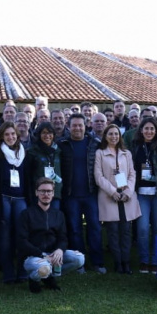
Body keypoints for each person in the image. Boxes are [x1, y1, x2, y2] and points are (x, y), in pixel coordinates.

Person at [17, 177, 86, 293]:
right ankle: (34, 278)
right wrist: (42, 255)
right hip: (33, 256)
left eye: (49, 191)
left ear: (53, 193)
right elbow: (21, 241)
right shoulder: (26, 214)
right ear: (36, 193)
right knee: (45, 268)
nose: (46, 194)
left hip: (52, 254)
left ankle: (48, 276)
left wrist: (60, 250)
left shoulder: (59, 214)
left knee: (79, 259)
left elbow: (63, 237)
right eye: (42, 191)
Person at [60, 113, 106, 273]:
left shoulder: (95, 144)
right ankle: (79, 263)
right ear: (68, 126)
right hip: (71, 195)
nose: (77, 128)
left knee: (95, 228)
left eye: (80, 125)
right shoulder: (62, 144)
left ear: (86, 126)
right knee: (74, 229)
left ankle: (97, 262)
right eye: (74, 125)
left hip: (91, 193)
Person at [0, 121, 30, 284]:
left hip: (20, 199)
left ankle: (22, 271)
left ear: (17, 135)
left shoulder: (24, 152)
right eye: (7, 134)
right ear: (2, 137)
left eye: (13, 134)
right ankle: (8, 273)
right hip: (3, 198)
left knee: (22, 235)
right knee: (4, 236)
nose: (10, 137)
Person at [95, 124, 141, 275]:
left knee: (126, 232)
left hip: (126, 197)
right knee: (113, 232)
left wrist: (128, 191)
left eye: (116, 134)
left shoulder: (126, 153)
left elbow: (132, 174)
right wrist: (112, 192)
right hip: (109, 197)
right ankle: (118, 263)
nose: (114, 136)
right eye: (110, 134)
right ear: (105, 136)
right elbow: (98, 176)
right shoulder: (100, 153)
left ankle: (126, 262)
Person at [131, 118, 157, 274]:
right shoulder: (135, 147)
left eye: (152, 129)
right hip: (141, 194)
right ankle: (144, 259)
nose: (149, 131)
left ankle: (156, 260)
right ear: (141, 130)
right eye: (146, 128)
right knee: (143, 228)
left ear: (156, 131)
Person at [25, 122, 63, 206]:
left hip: (55, 193)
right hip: (39, 193)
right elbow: (28, 175)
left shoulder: (58, 151)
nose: (47, 136)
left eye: (50, 133)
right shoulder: (32, 151)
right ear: (39, 134)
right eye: (44, 133)